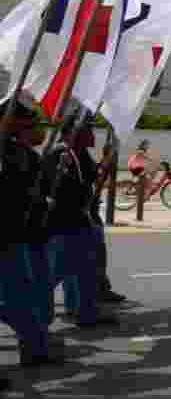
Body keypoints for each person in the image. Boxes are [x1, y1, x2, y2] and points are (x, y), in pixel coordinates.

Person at [41, 115, 119, 328]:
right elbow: (65, 189)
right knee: (55, 272)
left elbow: (93, 178)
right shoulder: (60, 154)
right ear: (73, 133)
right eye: (87, 131)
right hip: (64, 223)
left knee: (84, 269)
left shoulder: (80, 154)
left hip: (80, 221)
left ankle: (84, 312)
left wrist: (106, 161)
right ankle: (33, 311)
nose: (92, 135)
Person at [0, 100, 61, 367]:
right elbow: (12, 194)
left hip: (22, 234)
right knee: (18, 296)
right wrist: (33, 199)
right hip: (9, 233)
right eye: (29, 124)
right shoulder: (9, 154)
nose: (37, 129)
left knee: (24, 293)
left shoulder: (23, 153)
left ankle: (35, 346)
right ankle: (35, 346)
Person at [90, 143, 126, 303]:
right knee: (95, 254)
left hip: (92, 213)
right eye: (114, 154)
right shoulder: (97, 167)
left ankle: (102, 288)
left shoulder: (101, 167)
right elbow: (95, 185)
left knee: (99, 255)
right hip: (87, 215)